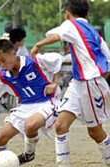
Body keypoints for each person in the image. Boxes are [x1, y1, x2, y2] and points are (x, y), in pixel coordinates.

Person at [30, 0, 110, 166]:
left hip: (90, 83)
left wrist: (38, 44)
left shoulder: (71, 24)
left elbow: (56, 35)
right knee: (60, 125)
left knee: (95, 132)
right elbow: (108, 57)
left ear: (67, 13)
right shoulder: (94, 33)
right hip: (78, 83)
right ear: (87, 15)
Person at [0, 39, 62, 165]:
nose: (2, 65)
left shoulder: (33, 61)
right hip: (25, 106)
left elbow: (57, 59)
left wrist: (54, 82)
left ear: (13, 53)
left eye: (3, 60)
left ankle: (28, 154)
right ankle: (0, 163)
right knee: (0, 139)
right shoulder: (3, 76)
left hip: (47, 102)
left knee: (30, 125)